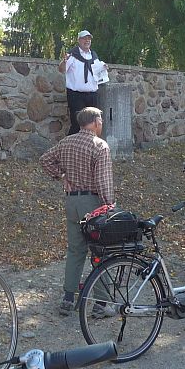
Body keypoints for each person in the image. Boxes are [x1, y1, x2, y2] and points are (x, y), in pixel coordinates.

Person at [39, 107, 114, 315]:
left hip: (71, 202)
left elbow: (45, 159)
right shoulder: (100, 146)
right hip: (93, 203)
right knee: (100, 251)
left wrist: (61, 177)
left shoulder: (67, 142)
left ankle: (68, 298)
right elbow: (102, 181)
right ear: (96, 122)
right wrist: (110, 205)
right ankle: (100, 303)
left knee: (75, 250)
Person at [59, 30, 101, 135]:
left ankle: (89, 148)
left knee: (92, 123)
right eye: (84, 38)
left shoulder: (94, 55)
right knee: (77, 124)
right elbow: (62, 69)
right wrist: (64, 62)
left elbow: (97, 72)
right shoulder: (73, 54)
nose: (87, 40)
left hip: (92, 95)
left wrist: (103, 68)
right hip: (76, 95)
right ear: (79, 40)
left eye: (89, 38)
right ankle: (69, 149)